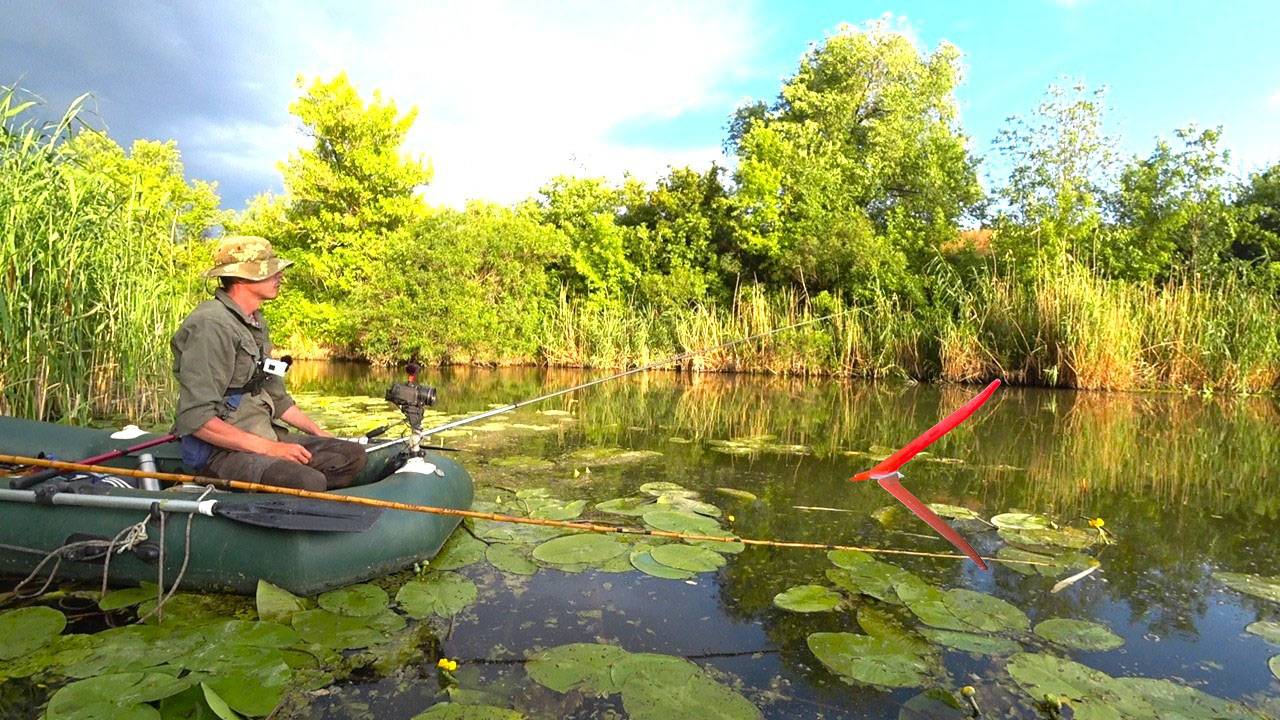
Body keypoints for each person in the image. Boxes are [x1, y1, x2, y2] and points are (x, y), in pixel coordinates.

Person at [170, 235, 365, 491]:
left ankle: (306, 508)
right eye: (269, 271)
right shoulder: (211, 325)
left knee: (351, 455)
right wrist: (273, 450)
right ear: (241, 278)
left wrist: (318, 432)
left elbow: (276, 395)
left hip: (263, 433)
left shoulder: (255, 321)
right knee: (308, 481)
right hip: (219, 454)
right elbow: (197, 419)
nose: (279, 276)